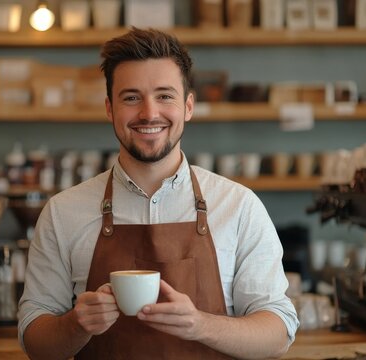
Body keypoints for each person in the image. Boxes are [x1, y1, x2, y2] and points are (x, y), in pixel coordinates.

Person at [18, 27, 299, 359]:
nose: (149, 113)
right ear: (110, 109)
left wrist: (201, 325)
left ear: (188, 106)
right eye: (131, 97)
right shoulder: (64, 212)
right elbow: (35, 341)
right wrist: (76, 325)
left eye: (165, 95)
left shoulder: (238, 206)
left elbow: (279, 332)